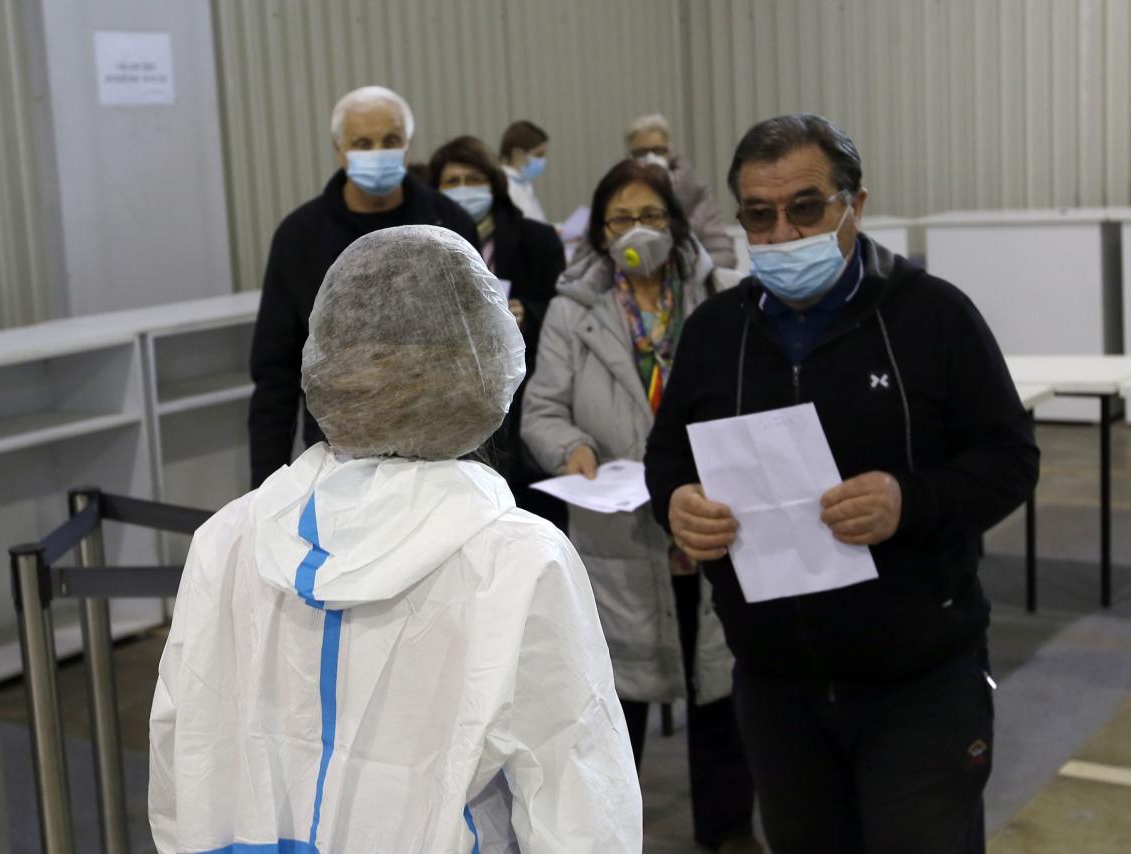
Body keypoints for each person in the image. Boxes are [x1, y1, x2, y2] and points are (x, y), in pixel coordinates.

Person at [149, 226, 642, 853]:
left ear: (328, 361)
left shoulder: (229, 538)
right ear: (485, 364)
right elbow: (580, 803)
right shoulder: (516, 560)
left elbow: (179, 751)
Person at [644, 113, 1040, 853]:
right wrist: (677, 505)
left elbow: (1009, 457)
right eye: (759, 216)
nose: (782, 234)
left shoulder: (932, 316)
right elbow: (667, 456)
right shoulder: (714, 332)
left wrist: (908, 500)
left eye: (805, 207)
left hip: (918, 678)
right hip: (773, 683)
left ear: (852, 206)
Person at [521, 160, 757, 852]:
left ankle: (729, 828)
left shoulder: (718, 296)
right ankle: (609, 833)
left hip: (710, 517)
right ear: (597, 230)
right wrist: (569, 451)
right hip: (618, 530)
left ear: (677, 223)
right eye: (619, 218)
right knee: (612, 695)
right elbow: (539, 410)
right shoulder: (575, 308)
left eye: (650, 216)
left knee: (719, 684)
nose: (636, 231)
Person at [247, 85, 479, 489]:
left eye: (389, 141)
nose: (377, 152)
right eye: (362, 143)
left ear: (407, 146)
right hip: (339, 456)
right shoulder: (300, 236)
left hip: (443, 455)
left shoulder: (449, 222)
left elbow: (476, 352)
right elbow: (275, 374)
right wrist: (267, 487)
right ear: (339, 150)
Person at [427, 135, 567, 527]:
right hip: (455, 399)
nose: (462, 189)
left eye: (473, 178)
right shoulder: (428, 243)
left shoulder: (535, 239)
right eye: (451, 181)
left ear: (493, 182)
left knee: (534, 518)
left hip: (526, 396)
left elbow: (562, 310)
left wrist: (528, 313)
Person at [626, 113, 736, 269]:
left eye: (658, 150)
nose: (650, 157)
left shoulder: (697, 195)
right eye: (641, 153)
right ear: (630, 157)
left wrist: (679, 272)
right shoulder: (616, 198)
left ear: (669, 152)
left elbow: (723, 255)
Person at [500, 119, 549, 223]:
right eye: (539, 155)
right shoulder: (505, 187)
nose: (543, 160)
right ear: (517, 153)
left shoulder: (521, 183)